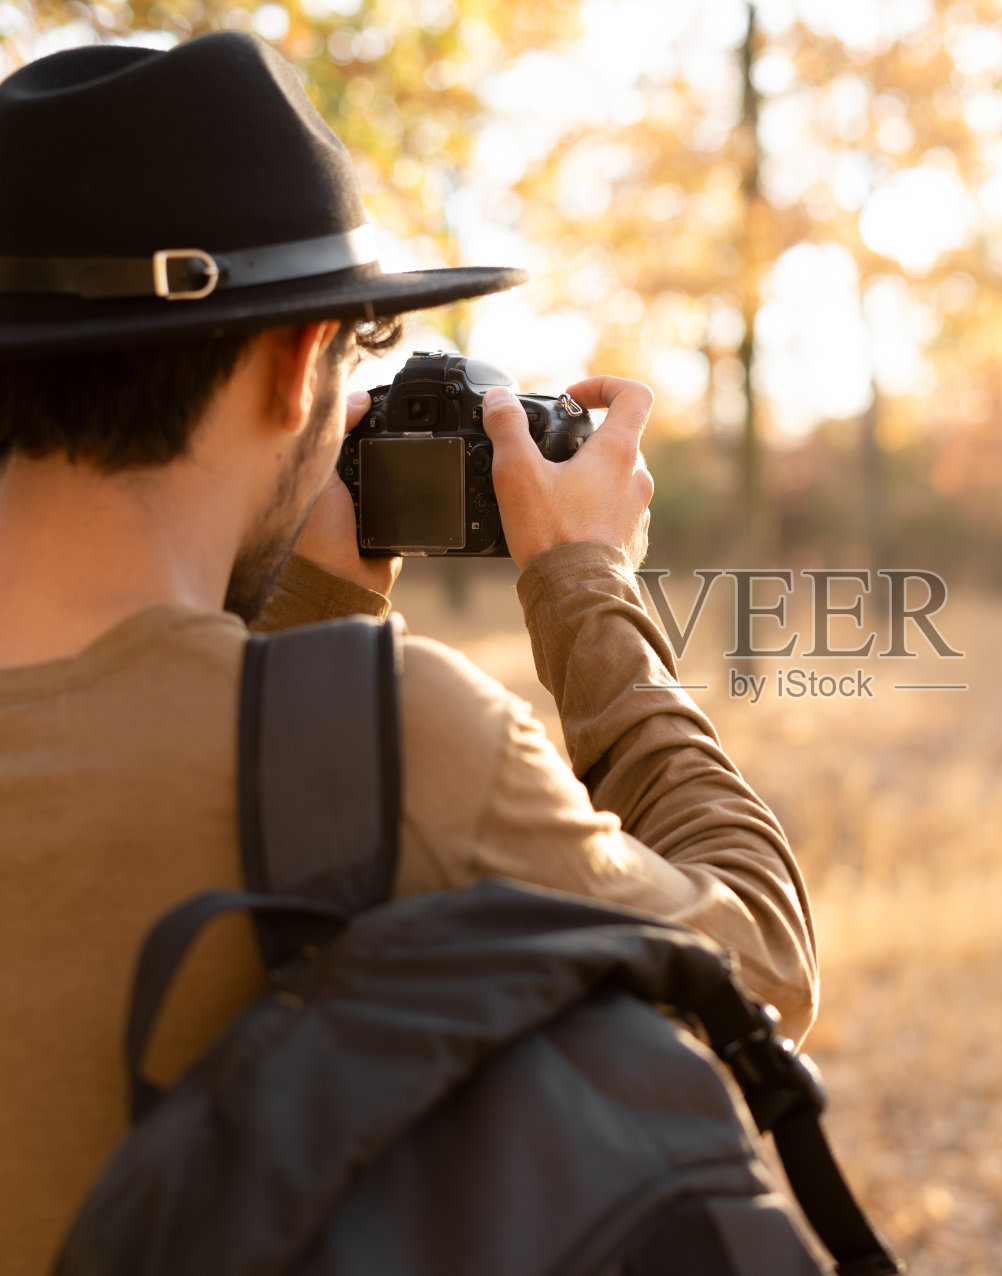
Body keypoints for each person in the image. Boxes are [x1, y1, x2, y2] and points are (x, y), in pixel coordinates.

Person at [0, 30, 817, 1274]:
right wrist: (589, 590)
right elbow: (752, 974)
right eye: (356, 349)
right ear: (295, 367)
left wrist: (313, 605)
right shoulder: (400, 742)